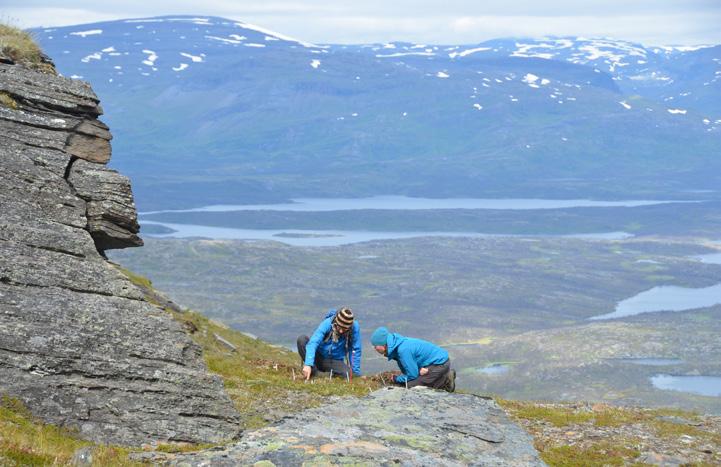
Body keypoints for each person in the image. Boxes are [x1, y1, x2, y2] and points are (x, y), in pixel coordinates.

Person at [370, 326, 455, 392]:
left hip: (440, 364)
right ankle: (441, 377)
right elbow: (410, 366)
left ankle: (446, 380)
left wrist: (397, 379)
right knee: (416, 380)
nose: (374, 348)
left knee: (412, 386)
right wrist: (418, 370)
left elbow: (412, 375)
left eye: (375, 346)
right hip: (434, 362)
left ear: (383, 345)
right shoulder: (397, 344)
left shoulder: (403, 350)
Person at [297, 307, 361, 380]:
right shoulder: (327, 323)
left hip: (334, 361)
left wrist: (355, 373)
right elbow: (313, 343)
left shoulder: (354, 328)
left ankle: (326, 373)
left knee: (347, 373)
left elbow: (355, 349)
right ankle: (314, 371)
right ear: (336, 322)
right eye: (339, 327)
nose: (341, 331)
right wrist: (308, 364)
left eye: (344, 329)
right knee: (302, 340)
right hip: (317, 356)